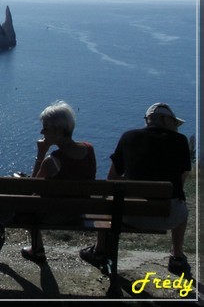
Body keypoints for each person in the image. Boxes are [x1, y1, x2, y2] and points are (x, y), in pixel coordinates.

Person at [80, 103, 191, 274]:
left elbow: (111, 180)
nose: (175, 127)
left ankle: (99, 250)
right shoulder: (181, 141)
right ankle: (177, 257)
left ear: (148, 120)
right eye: (173, 122)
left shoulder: (128, 137)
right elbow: (181, 183)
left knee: (106, 201)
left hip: (129, 215)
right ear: (163, 119)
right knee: (181, 208)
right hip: (168, 216)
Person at [21, 101, 97, 264]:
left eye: (45, 128)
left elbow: (32, 188)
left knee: (26, 204)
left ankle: (37, 249)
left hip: (56, 215)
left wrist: (41, 154)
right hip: (80, 211)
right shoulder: (89, 150)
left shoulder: (52, 161)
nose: (42, 131)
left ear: (57, 130)